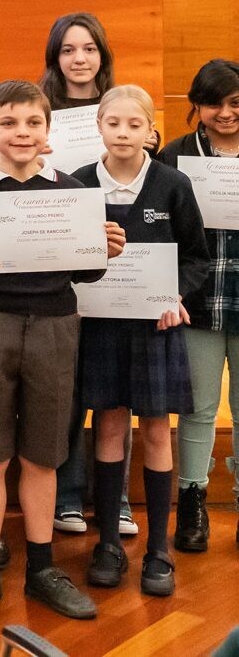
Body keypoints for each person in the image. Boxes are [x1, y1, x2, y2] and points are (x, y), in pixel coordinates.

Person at [0, 80, 126, 620]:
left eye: (33, 123)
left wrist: (103, 249)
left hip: (56, 325)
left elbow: (84, 270)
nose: (22, 133)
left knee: (43, 451)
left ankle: (42, 569)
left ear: (48, 130)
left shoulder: (70, 190)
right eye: (10, 124)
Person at [72, 85, 208, 596]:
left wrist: (176, 295)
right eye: (114, 123)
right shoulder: (80, 182)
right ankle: (107, 542)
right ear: (99, 126)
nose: (124, 133)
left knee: (155, 431)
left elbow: (196, 257)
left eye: (135, 124)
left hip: (157, 327)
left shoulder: (173, 184)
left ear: (151, 129)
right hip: (102, 326)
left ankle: (158, 549)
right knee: (107, 427)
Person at [38, 15, 137, 541]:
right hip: (60, 265)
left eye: (89, 48)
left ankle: (115, 500)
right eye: (68, 49)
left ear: (103, 53)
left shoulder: (125, 109)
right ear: (55, 57)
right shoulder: (40, 114)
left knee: (115, 393)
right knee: (69, 392)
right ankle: (68, 496)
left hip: (124, 273)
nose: (79, 58)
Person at [160, 59, 239, 552]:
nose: (227, 113)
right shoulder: (176, 155)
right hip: (199, 299)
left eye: (235, 102)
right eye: (215, 103)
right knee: (198, 409)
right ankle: (193, 502)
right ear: (197, 107)